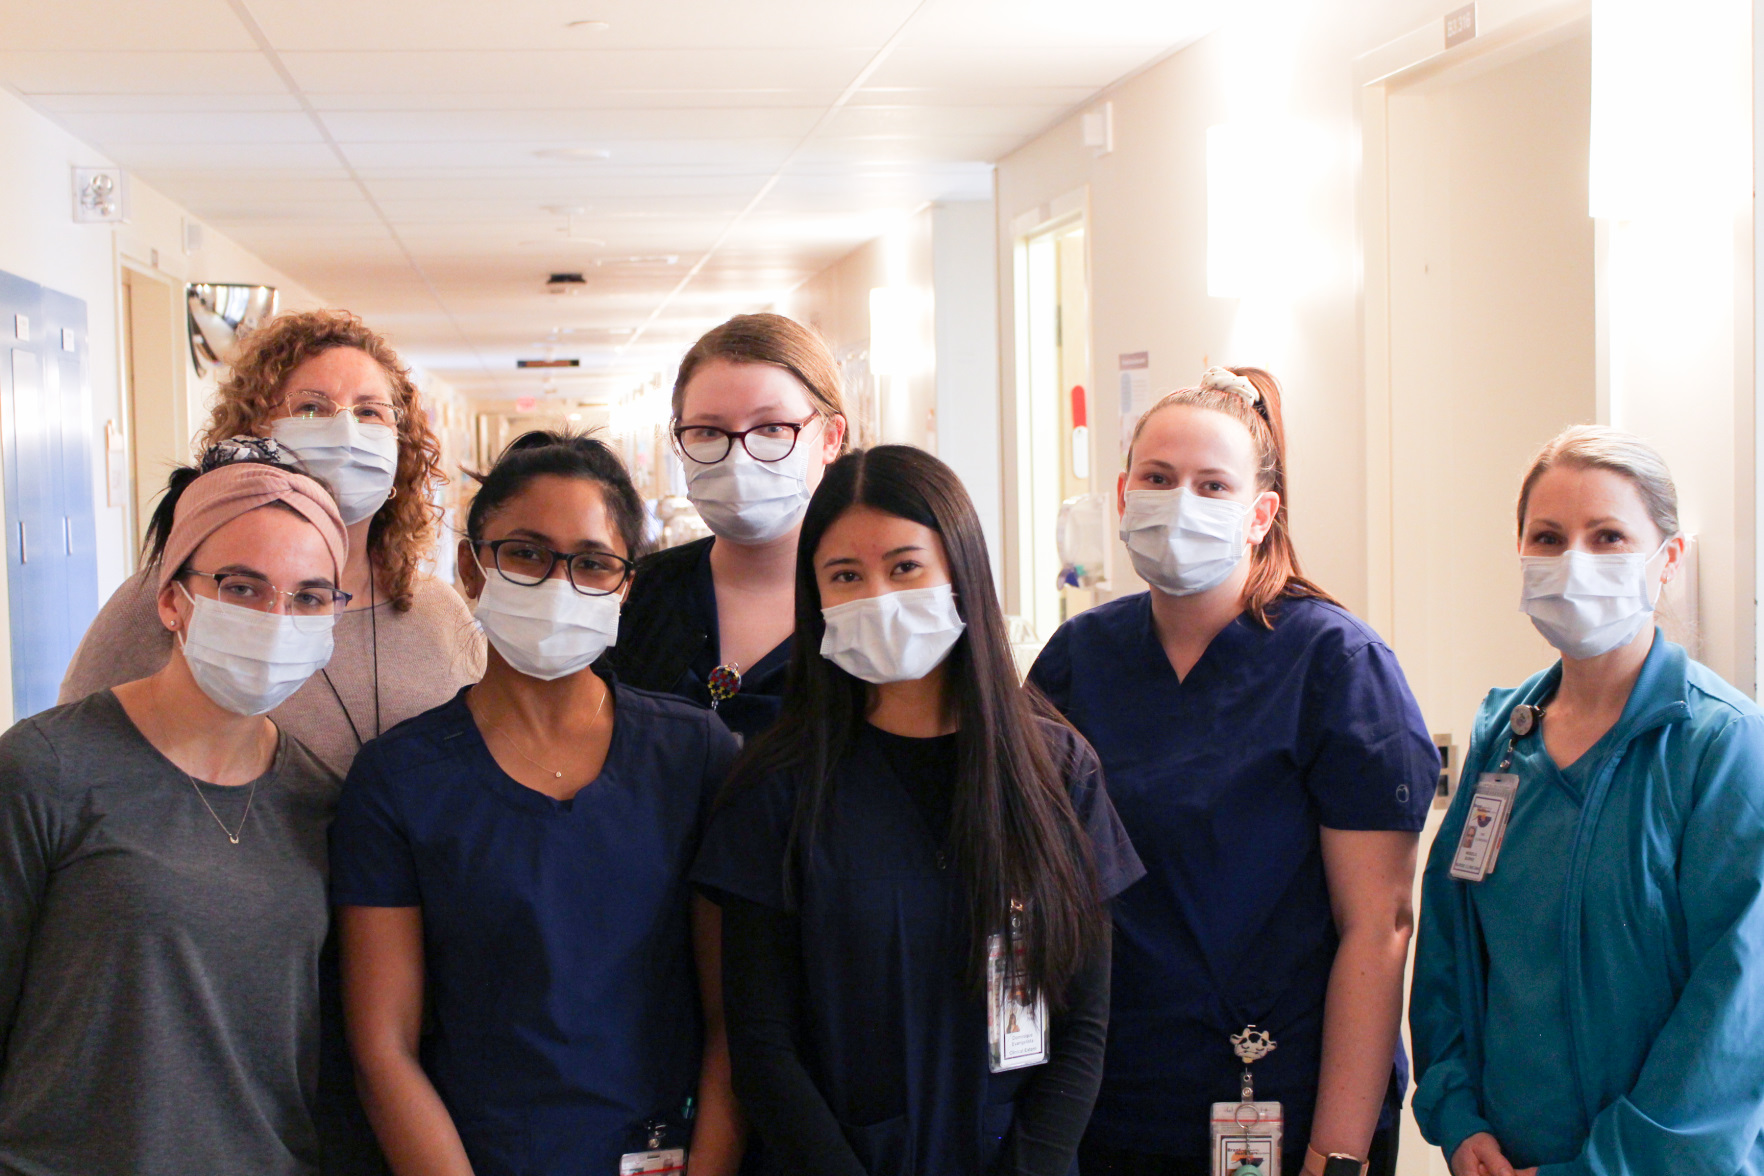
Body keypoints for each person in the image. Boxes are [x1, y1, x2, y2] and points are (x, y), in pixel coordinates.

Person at [1029, 368, 1438, 1176]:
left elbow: (1380, 927)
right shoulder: (1078, 661)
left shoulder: (1336, 667)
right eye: (1157, 478)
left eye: (1212, 485)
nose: (1179, 501)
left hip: (1282, 1097)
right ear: (1121, 494)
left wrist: (1341, 1153)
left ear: (1260, 514)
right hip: (1111, 1097)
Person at [693, 444, 1144, 1176]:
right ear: (816, 601)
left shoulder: (1056, 771)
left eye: (905, 567)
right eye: (845, 575)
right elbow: (761, 1044)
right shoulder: (777, 788)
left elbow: (1084, 1024)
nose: (878, 596)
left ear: (960, 575)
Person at [331, 432, 743, 1176]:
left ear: (625, 584)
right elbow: (383, 1049)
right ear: (470, 565)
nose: (559, 583)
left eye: (591, 563)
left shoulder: (694, 756)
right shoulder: (400, 781)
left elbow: (732, 1022)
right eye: (525, 552)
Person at [1411, 426, 1764, 1176]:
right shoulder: (1505, 741)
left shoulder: (1719, 747)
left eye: (1608, 536)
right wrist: (1458, 1118)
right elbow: (1449, 948)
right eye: (1548, 537)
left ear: (1666, 562)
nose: (1574, 562)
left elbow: (1736, 1012)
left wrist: (1604, 1168)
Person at [0, 459, 352, 1175]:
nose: (276, 620)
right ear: (172, 600)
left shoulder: (322, 804)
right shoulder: (47, 770)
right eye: (242, 587)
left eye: (310, 597)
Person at [61, 308, 484, 776]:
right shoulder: (177, 600)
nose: (346, 432)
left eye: (369, 412)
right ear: (255, 430)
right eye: (310, 408)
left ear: (400, 445)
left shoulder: (438, 612)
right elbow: (71, 758)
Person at [613, 313, 848, 740]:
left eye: (773, 428)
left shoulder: (872, 604)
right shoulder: (637, 596)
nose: (738, 458)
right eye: (707, 431)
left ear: (830, 437)